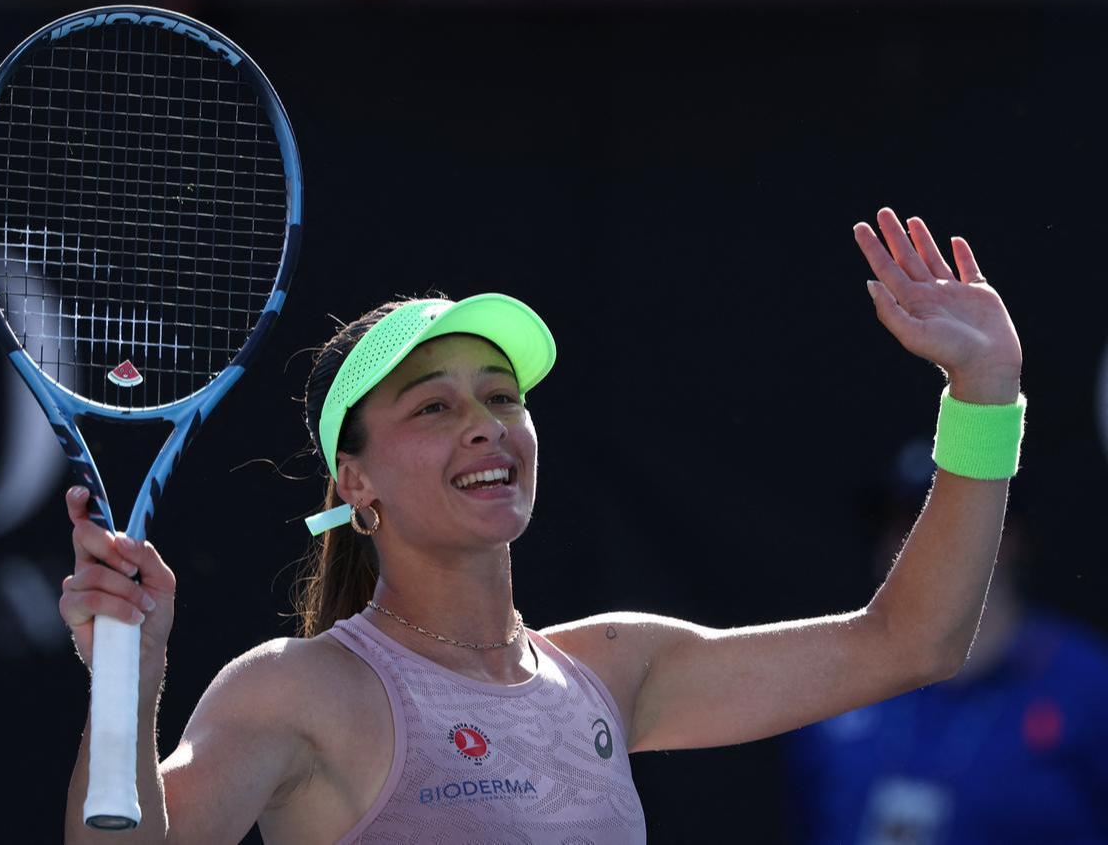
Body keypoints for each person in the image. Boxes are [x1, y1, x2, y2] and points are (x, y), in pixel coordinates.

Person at [59, 207, 1026, 843]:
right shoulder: (298, 690)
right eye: (432, 407)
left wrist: (983, 393)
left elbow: (915, 641)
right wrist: (125, 695)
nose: (485, 421)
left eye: (501, 395)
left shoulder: (616, 666)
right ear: (356, 483)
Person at [782, 446, 1108, 845]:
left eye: (940, 522)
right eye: (900, 525)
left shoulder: (1087, 687)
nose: (913, 546)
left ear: (1007, 536)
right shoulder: (838, 683)